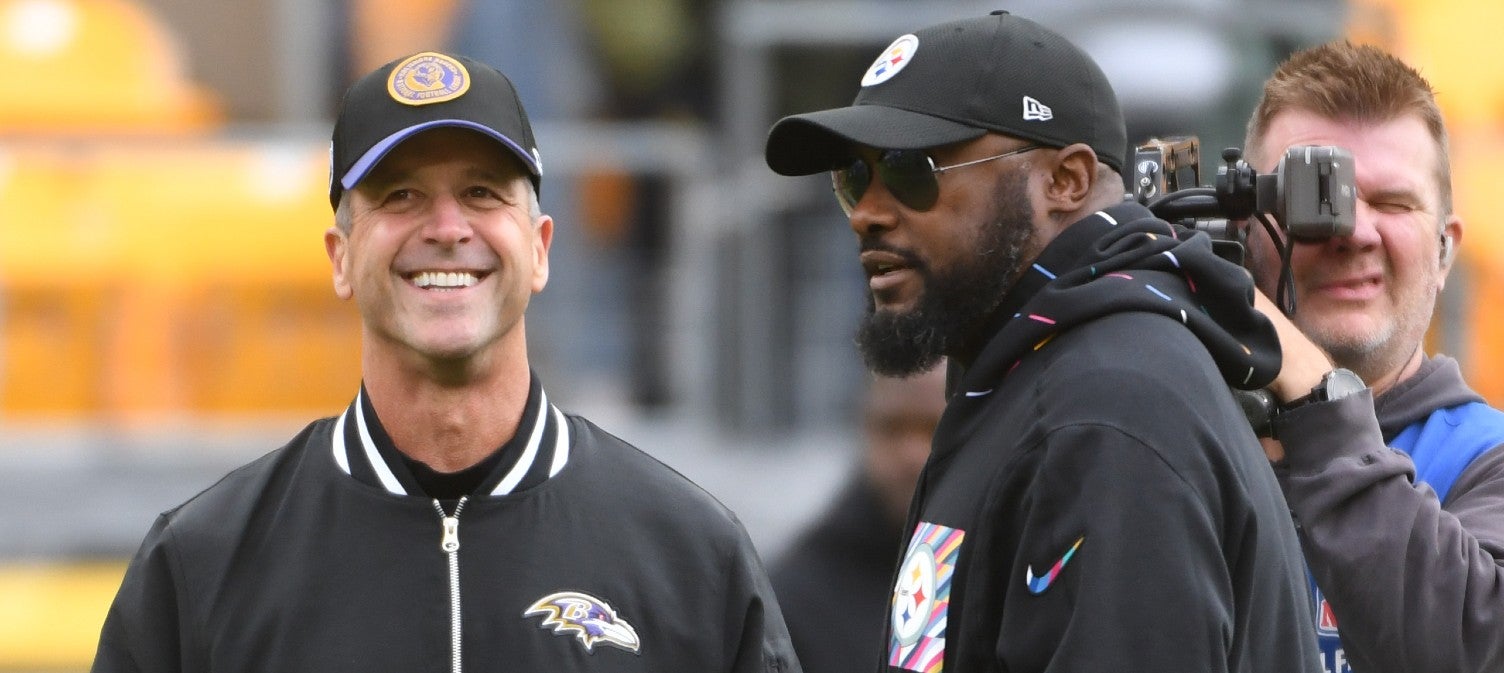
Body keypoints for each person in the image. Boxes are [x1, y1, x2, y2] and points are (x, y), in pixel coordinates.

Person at [90, 51, 800, 673]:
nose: (448, 228)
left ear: (541, 248)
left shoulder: (690, 554)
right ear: (340, 259)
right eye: (400, 195)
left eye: (482, 192)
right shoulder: (203, 561)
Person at [764, 12, 1320, 673]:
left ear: (1066, 181)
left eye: (912, 170)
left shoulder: (1106, 412)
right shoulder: (1037, 380)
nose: (867, 211)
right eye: (854, 177)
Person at [1242, 41, 1504, 673]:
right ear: (1242, 230)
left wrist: (1316, 395)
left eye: (1392, 202)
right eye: (1310, 196)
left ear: (1446, 251)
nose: (1352, 232)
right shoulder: (1170, 432)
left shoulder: (1485, 460)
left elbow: (1474, 648)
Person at [771, 366, 946, 673]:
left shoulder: (1008, 568)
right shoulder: (795, 599)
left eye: (934, 427)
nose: (912, 454)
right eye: (892, 427)